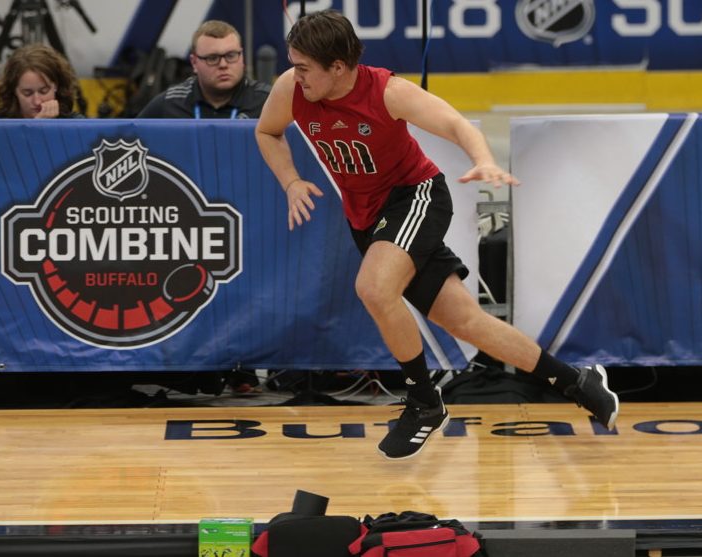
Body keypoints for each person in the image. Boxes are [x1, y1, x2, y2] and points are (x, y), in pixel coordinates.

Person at [255, 10, 620, 460]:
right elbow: (267, 132)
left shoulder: (388, 91)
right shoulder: (291, 88)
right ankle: (575, 381)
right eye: (294, 63)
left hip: (416, 198)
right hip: (368, 218)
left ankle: (424, 401)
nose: (296, 74)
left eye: (305, 66)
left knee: (372, 287)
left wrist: (483, 158)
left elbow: (455, 124)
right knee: (465, 321)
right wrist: (291, 181)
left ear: (338, 67)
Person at [136, 20, 270, 119]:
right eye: (212, 58)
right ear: (194, 62)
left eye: (231, 56)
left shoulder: (268, 102)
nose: (223, 64)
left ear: (242, 57)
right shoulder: (170, 103)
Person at [0, 44, 82, 119]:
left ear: (56, 86)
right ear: (14, 91)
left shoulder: (77, 125)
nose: (37, 102)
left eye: (44, 91)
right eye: (27, 93)